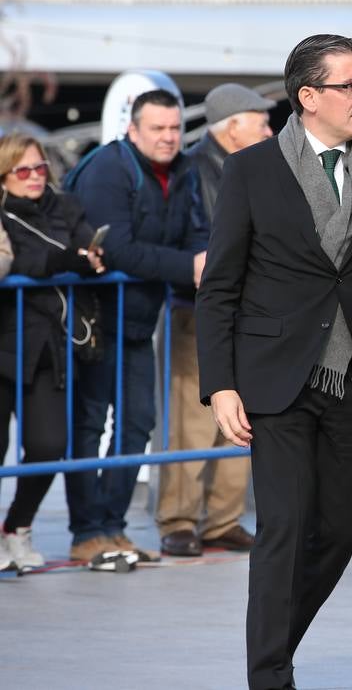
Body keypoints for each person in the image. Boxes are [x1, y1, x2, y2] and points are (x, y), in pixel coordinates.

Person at [197, 34, 352, 690]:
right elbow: (221, 286)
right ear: (309, 96)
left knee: (341, 530)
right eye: (351, 86)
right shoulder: (252, 169)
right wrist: (221, 385)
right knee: (284, 530)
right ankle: (269, 675)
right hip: (276, 378)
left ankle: (275, 644)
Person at [66, 88, 209, 565]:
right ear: (133, 129)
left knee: (137, 422)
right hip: (93, 318)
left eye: (175, 128)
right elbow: (118, 250)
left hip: (139, 319)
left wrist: (200, 258)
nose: (169, 137)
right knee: (89, 424)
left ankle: (113, 527)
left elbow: (197, 232)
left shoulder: (184, 169)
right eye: (158, 128)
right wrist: (190, 266)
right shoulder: (108, 169)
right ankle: (87, 533)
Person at [157, 83, 275, 558]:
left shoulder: (256, 168)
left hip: (250, 311)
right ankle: (179, 520)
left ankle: (224, 518)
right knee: (192, 418)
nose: (269, 130)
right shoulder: (190, 170)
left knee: (242, 417)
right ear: (232, 127)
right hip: (198, 309)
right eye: (261, 122)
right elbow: (180, 235)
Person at [0, 134, 103, 572]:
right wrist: (60, 262)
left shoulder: (65, 206)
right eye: (23, 170)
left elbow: (87, 245)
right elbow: (17, 262)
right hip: (5, 338)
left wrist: (91, 256)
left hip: (48, 344)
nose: (34, 177)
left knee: (49, 444)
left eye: (40, 168)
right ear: (4, 176)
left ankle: (17, 526)